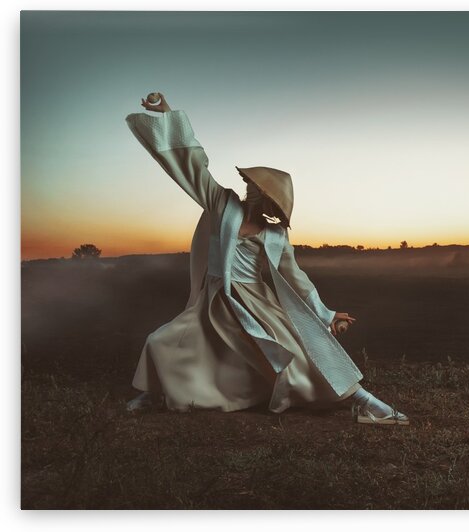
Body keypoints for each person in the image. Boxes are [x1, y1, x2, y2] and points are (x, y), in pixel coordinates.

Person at [124, 93, 408, 425]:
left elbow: (295, 276)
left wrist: (326, 314)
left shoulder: (275, 236)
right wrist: (168, 114)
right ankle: (152, 394)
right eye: (253, 188)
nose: (253, 193)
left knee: (299, 352)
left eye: (262, 194)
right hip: (216, 297)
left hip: (256, 301)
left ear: (272, 205)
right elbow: (194, 168)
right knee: (164, 341)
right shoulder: (223, 204)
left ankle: (364, 401)